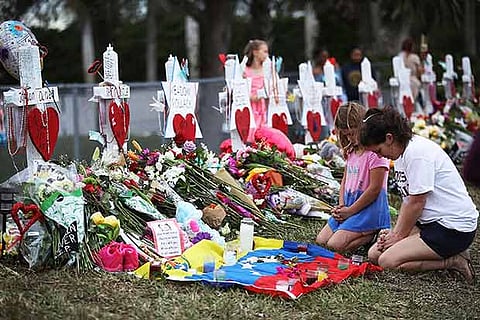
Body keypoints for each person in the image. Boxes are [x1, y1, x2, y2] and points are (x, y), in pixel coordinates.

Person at [359, 106, 478, 283]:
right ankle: (443, 253)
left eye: (378, 150)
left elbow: (416, 203)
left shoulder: (417, 154)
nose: (379, 155)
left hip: (452, 228)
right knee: (374, 253)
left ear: (389, 138)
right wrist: (394, 233)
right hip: (429, 223)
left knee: (387, 261)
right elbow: (408, 202)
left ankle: (453, 260)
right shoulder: (400, 154)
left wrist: (398, 235)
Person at [316, 102, 391, 253]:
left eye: (352, 133)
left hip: (368, 209)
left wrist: (350, 211)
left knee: (334, 246)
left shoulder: (375, 152)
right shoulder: (352, 150)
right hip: (350, 206)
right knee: (321, 240)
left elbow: (375, 188)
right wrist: (342, 206)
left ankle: (370, 234)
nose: (350, 138)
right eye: (346, 135)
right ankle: (355, 231)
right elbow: (345, 179)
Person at [243, 39, 269, 136]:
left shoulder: (267, 70)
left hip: (262, 106)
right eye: (264, 51)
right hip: (250, 106)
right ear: (255, 52)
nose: (267, 55)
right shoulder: (245, 71)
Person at [399, 38, 423, 102]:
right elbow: (419, 70)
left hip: (402, 80)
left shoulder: (400, 56)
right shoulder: (414, 57)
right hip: (413, 79)